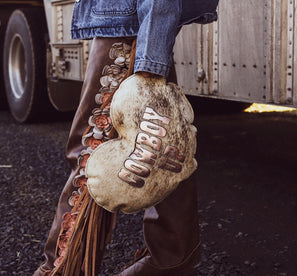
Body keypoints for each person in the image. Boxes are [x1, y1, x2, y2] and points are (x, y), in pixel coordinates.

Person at [33, 1, 219, 275]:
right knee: (162, 143)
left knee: (91, 151)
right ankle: (172, 258)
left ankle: (62, 269)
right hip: (136, 21)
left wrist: (149, 66)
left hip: (127, 21)